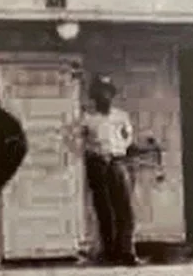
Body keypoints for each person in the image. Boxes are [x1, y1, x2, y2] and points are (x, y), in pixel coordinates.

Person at [81, 74, 145, 266]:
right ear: (94, 95)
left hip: (117, 161)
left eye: (107, 92)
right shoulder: (87, 118)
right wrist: (92, 153)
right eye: (100, 92)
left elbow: (127, 138)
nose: (104, 96)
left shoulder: (121, 116)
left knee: (125, 208)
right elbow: (76, 140)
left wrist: (123, 152)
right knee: (104, 209)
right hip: (97, 162)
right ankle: (110, 252)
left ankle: (127, 251)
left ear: (112, 94)